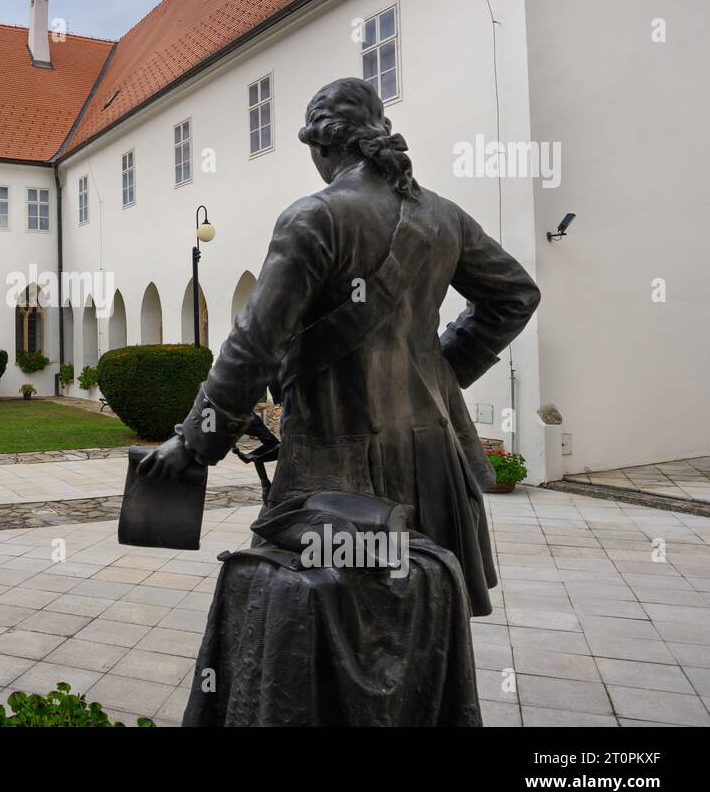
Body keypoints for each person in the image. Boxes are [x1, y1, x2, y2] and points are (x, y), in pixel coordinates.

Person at [137, 77, 540, 618]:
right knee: (423, 617)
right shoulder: (444, 217)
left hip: (336, 455)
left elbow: (254, 344)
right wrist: (443, 370)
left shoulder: (315, 216)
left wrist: (192, 445)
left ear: (322, 145)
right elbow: (515, 296)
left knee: (319, 620)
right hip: (434, 455)